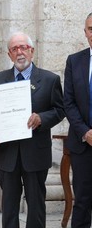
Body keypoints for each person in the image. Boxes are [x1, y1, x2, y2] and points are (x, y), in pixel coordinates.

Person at [0, 31, 65, 228]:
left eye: (24, 48)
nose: (20, 52)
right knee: (9, 206)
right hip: (7, 154)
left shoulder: (49, 79)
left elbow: (60, 110)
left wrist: (41, 119)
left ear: (32, 51)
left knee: (36, 205)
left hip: (35, 153)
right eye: (14, 49)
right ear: (9, 54)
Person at [63, 12, 92, 228]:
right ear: (85, 32)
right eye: (90, 29)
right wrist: (85, 131)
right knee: (82, 200)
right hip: (82, 143)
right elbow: (68, 102)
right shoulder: (74, 61)